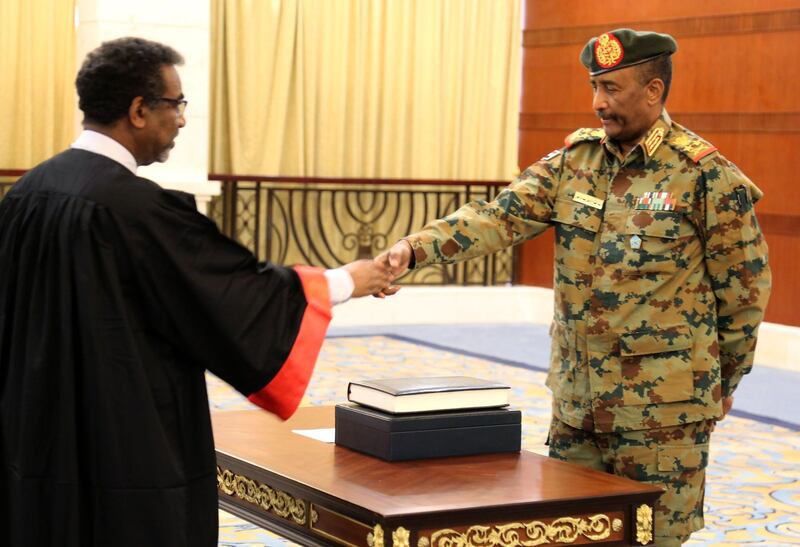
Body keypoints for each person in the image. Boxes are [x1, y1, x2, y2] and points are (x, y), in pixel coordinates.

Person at [378, 28, 771, 546]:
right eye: (594, 87)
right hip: (577, 408)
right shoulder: (573, 164)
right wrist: (415, 249)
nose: (597, 104)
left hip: (661, 418)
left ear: (653, 90)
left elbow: (743, 294)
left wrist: (722, 385)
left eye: (612, 90)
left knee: (651, 539)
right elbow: (497, 217)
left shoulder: (704, 177)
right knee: (567, 535)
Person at [0, 37, 392, 547]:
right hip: (121, 438)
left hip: (32, 433)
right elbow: (229, 294)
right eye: (177, 104)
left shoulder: (28, 194)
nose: (182, 120)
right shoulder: (137, 209)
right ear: (139, 110)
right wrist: (345, 282)